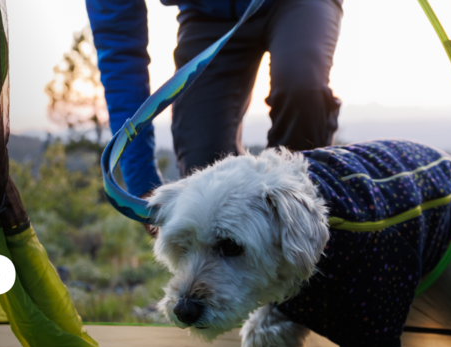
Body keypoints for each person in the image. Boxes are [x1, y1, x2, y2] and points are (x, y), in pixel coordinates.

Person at [85, 0, 344, 205]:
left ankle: (312, 240)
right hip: (207, 13)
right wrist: (142, 185)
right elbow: (118, 46)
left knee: (301, 87)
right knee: (203, 173)